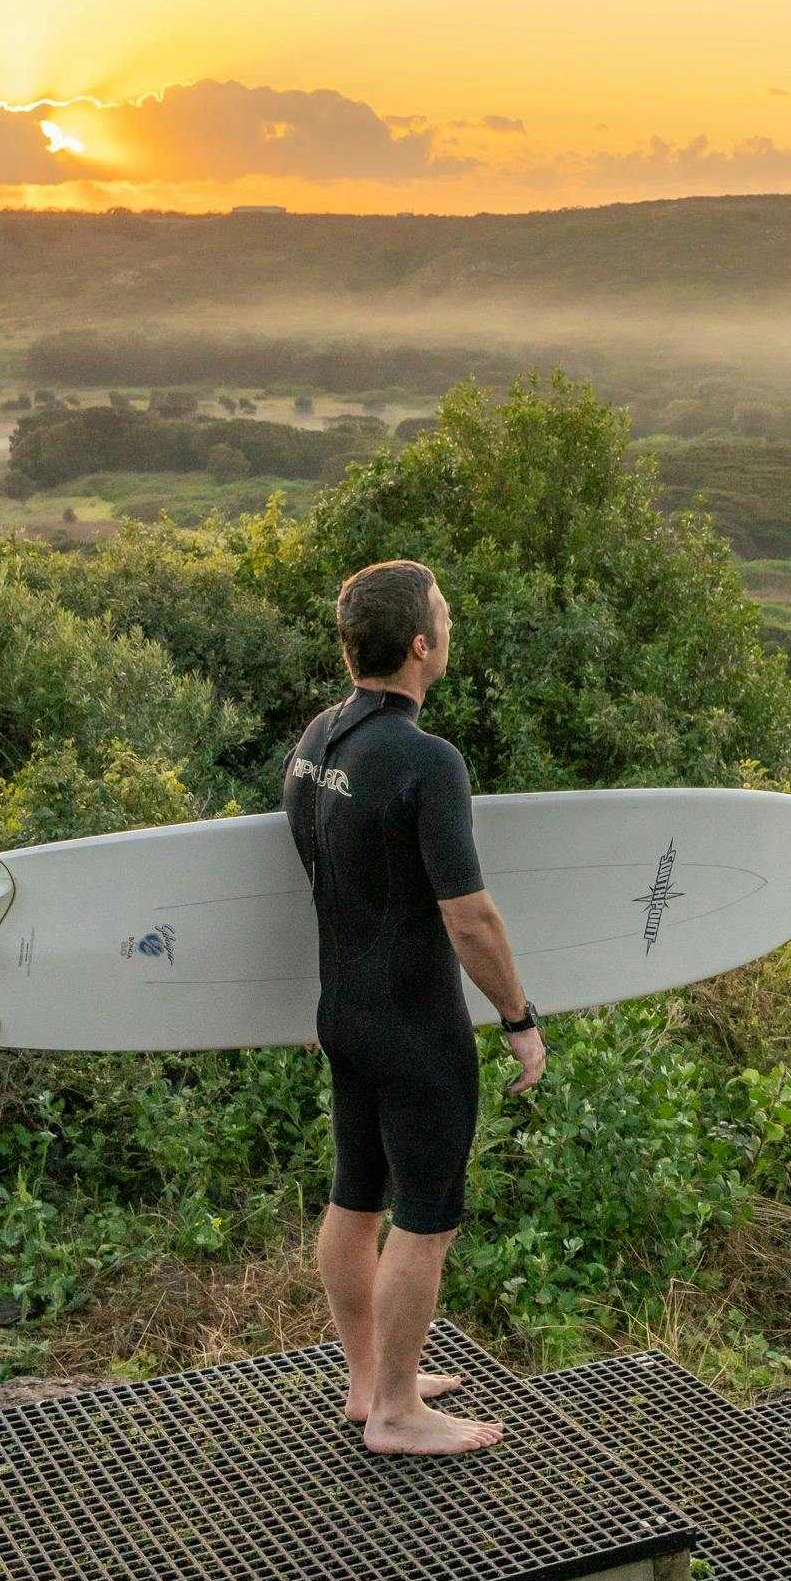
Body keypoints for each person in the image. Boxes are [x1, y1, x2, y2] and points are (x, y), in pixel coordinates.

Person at [284, 559, 546, 1456]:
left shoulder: (316, 744)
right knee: (426, 1216)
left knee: (355, 1197)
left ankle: (369, 1381)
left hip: (344, 1012)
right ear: (421, 645)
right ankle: (397, 1411)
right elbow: (468, 917)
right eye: (443, 613)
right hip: (414, 1025)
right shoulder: (429, 762)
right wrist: (518, 1016)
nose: (448, 624)